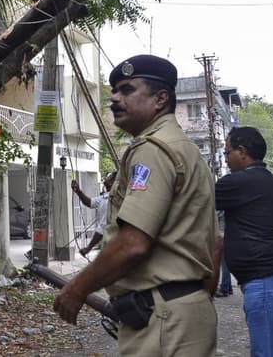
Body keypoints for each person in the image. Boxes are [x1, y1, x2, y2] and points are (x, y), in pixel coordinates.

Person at [53, 55, 218, 356]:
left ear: (160, 99)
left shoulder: (153, 150)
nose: (115, 98)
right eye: (114, 91)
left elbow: (132, 244)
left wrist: (77, 289)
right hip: (180, 310)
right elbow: (214, 243)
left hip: (162, 317)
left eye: (127, 90)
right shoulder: (185, 150)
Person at [215, 127, 273, 356]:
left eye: (227, 153)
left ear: (242, 152)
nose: (226, 159)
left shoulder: (239, 182)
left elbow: (191, 198)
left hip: (268, 282)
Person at [71, 171, 116, 257]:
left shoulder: (110, 200)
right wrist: (78, 191)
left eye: (109, 176)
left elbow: (102, 227)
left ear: (112, 183)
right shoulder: (105, 197)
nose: (105, 178)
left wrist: (88, 248)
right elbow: (90, 202)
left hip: (112, 243)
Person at [214, 210, 233, 297]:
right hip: (228, 236)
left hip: (222, 237)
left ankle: (224, 288)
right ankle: (228, 287)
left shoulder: (220, 210)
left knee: (221, 264)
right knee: (225, 264)